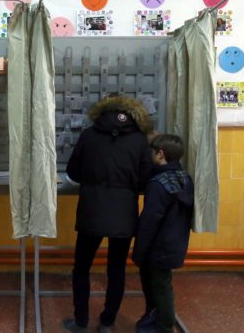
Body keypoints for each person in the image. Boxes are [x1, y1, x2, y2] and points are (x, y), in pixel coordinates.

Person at [62, 95, 153, 333]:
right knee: (116, 270)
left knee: (81, 268)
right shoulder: (140, 140)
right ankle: (106, 323)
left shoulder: (89, 135)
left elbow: (73, 171)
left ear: (102, 111)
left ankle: (80, 322)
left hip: (92, 211)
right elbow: (145, 180)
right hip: (124, 215)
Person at [131, 134, 194, 333]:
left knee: (160, 287)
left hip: (157, 247)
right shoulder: (185, 178)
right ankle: (154, 319)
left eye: (152, 151)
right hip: (176, 243)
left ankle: (165, 326)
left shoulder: (157, 184)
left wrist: (139, 251)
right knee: (160, 284)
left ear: (160, 154)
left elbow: (149, 222)